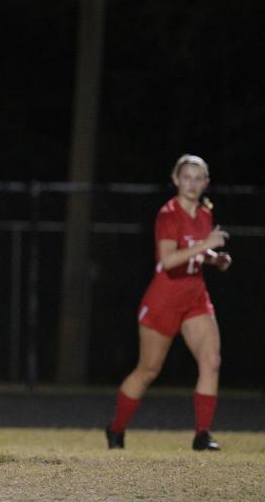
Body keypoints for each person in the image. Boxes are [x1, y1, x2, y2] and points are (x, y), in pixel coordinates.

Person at [105, 154, 232, 451]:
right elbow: (168, 259)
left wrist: (215, 260)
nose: (191, 183)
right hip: (164, 299)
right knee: (148, 369)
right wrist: (206, 246)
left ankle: (202, 435)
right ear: (176, 180)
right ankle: (116, 429)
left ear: (206, 183)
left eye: (197, 178)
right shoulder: (168, 215)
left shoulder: (204, 214)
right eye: (186, 177)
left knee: (211, 361)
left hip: (195, 297)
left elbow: (196, 252)